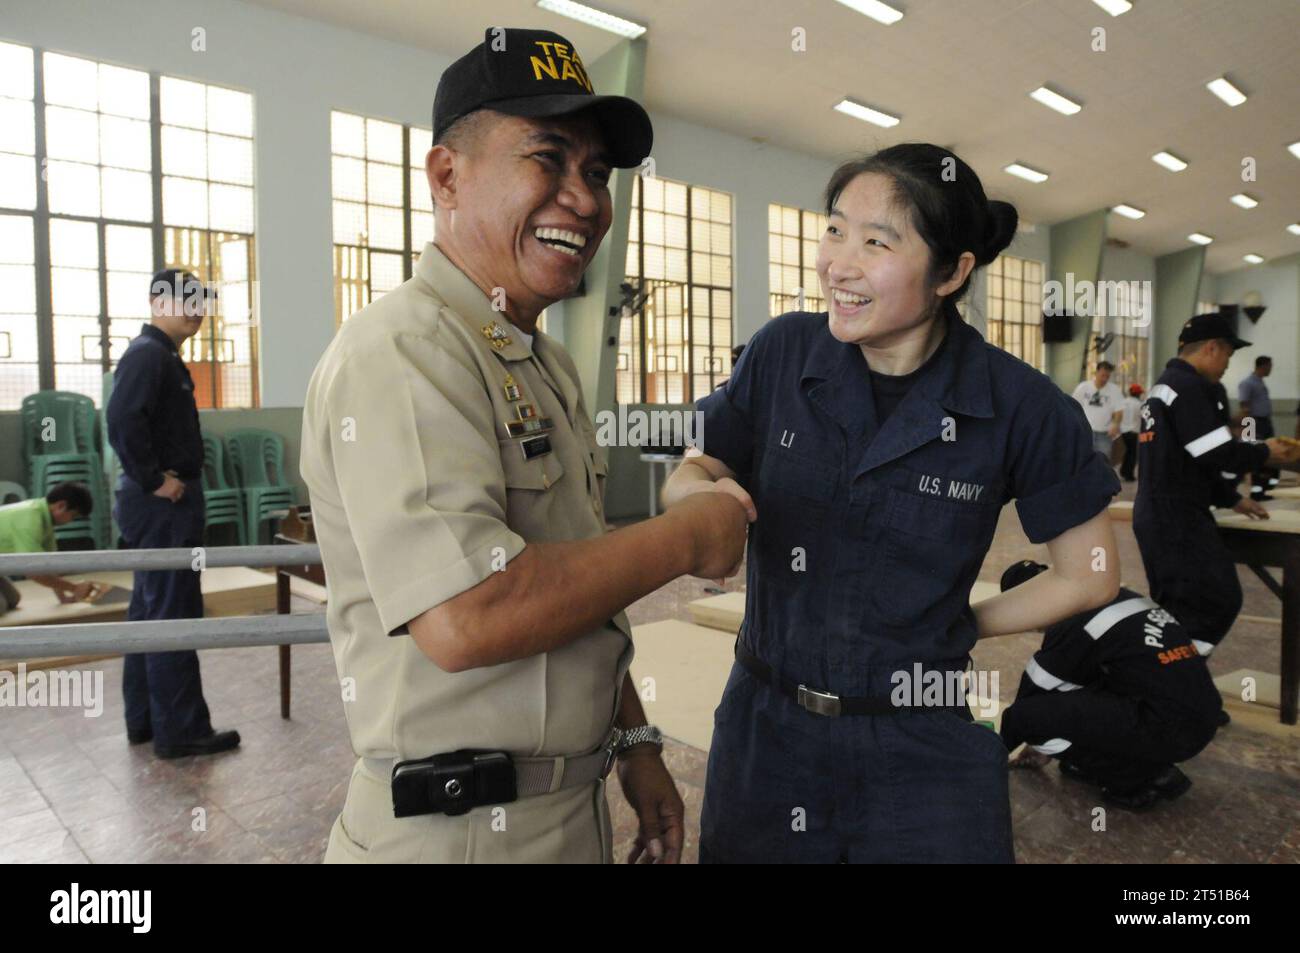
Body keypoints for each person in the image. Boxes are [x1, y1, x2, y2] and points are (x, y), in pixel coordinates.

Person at [299, 28, 747, 865]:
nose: (583, 198)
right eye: (547, 158)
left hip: (563, 811)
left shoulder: (546, 362)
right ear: (447, 177)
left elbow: (573, 586)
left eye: (597, 173)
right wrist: (689, 536)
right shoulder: (401, 353)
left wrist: (636, 741)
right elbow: (470, 614)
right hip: (457, 831)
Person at [662, 143, 1121, 863]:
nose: (838, 263)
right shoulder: (784, 353)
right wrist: (700, 498)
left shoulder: (1022, 405)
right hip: (765, 732)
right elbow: (695, 466)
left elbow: (1090, 572)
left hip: (921, 742)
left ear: (952, 271)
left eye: (876, 242)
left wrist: (954, 625)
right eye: (835, 230)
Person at [106, 269, 240, 759]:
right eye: (186, 299)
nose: (197, 309)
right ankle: (181, 730)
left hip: (158, 503)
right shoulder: (148, 357)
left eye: (202, 300)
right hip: (164, 503)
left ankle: (144, 720)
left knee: (149, 612)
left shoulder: (161, 357)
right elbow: (121, 421)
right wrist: (154, 479)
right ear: (157, 302)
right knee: (173, 613)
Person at [1135, 315, 1300, 667]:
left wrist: (1233, 498)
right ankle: (1173, 679)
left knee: (1181, 609)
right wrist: (1265, 452)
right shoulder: (1188, 387)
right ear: (1212, 348)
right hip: (1176, 518)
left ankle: (1175, 685)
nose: (1227, 364)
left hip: (1163, 513)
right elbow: (1214, 452)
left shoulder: (1167, 384)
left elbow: (1190, 461)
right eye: (1227, 354)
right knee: (1216, 599)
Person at [998, 560, 1220, 811]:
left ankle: (1138, 777)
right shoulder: (1112, 595)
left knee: (1029, 717)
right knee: (1079, 693)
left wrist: (985, 760)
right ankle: (1114, 762)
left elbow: (1025, 707)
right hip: (1202, 716)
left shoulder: (1073, 622)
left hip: (1171, 729)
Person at [0, 482, 97, 614]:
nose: (71, 521)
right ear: (61, 506)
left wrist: (63, 598)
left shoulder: (44, 520)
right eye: (73, 516)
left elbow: (49, 566)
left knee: (13, 600)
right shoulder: (30, 518)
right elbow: (32, 571)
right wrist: (74, 588)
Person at [1238, 354, 1278, 501]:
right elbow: (1244, 407)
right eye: (1270, 366)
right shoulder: (1248, 383)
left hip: (1265, 422)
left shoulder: (1260, 382)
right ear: (1263, 366)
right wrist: (1247, 430)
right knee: (1258, 456)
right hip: (1254, 422)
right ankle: (1257, 491)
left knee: (1271, 455)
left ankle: (1268, 489)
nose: (1271, 369)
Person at [1073, 361, 1123, 459]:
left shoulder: (1114, 390)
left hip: (1104, 433)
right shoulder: (1084, 387)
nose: (1105, 379)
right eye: (1103, 375)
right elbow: (1073, 405)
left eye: (1107, 376)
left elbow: (1119, 410)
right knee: (1082, 459)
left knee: (1103, 460)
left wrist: (1116, 425)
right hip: (1085, 431)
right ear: (1096, 373)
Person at [1119, 382, 1143, 482]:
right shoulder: (1139, 404)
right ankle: (1129, 474)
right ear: (1138, 394)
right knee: (1132, 453)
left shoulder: (1123, 402)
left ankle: (1124, 470)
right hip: (1133, 431)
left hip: (1123, 431)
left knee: (1128, 451)